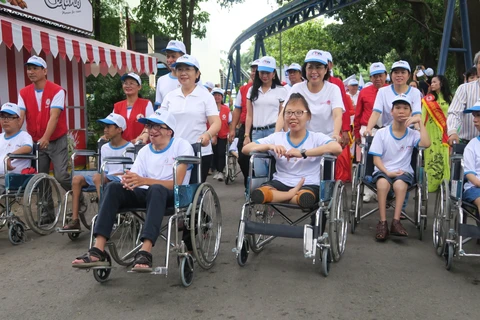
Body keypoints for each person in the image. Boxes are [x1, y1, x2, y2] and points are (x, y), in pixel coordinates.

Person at [72, 110, 194, 271]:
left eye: (157, 126)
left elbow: (176, 183)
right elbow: (134, 177)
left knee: (156, 189)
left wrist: (144, 181)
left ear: (169, 131)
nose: (152, 130)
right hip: (146, 193)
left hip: (173, 195)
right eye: (150, 126)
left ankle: (145, 251)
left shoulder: (181, 145)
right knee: (113, 187)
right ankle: (98, 250)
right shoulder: (144, 151)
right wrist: (128, 181)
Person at [243, 93, 342, 207]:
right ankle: (291, 196)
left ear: (308, 116)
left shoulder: (316, 137)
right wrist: (270, 146)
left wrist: (303, 153)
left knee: (306, 198)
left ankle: (284, 197)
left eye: (299, 113)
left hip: (308, 183)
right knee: (258, 194)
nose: (293, 117)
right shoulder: (277, 137)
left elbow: (336, 148)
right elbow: (246, 149)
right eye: (288, 113)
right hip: (280, 182)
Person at [369, 94, 430, 241]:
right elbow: (376, 160)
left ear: (410, 112)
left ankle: (396, 222)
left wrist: (420, 122)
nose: (401, 111)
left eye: (405, 108)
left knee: (400, 184)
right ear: (391, 112)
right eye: (397, 108)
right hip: (383, 170)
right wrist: (387, 172)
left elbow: (426, 144)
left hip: (403, 172)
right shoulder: (381, 133)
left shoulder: (413, 134)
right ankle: (382, 222)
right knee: (383, 184)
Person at [18, 56, 70, 224]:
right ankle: (47, 214)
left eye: (35, 68)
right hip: (36, 140)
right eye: (29, 69)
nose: (31, 72)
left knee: (61, 176)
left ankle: (78, 196)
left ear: (45, 71)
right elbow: (20, 118)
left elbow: (54, 117)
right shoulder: (24, 92)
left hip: (56, 139)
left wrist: (46, 137)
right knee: (40, 178)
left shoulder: (57, 91)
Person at [61, 113, 133, 230]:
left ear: (119, 129)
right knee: (76, 179)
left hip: (121, 178)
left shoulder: (129, 147)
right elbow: (103, 170)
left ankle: (105, 216)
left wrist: (108, 175)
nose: (105, 130)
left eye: (109, 127)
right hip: (105, 176)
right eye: (104, 127)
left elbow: (130, 172)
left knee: (97, 177)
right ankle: (75, 220)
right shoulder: (104, 147)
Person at [160, 54, 221, 183]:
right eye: (180, 69)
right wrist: (145, 133)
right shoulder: (170, 96)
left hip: (199, 151)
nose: (183, 73)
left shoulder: (206, 96)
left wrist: (208, 135)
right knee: (174, 190)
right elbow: (159, 119)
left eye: (188, 69)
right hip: (174, 151)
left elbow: (216, 122)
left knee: (193, 192)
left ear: (197, 73)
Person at [276, 50, 344, 142]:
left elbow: (337, 115)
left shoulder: (333, 89)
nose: (314, 72)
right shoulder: (297, 88)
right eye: (310, 68)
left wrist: (335, 134)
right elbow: (283, 113)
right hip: (301, 140)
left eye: (318, 67)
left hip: (326, 140)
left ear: (325, 70)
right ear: (305, 69)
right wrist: (276, 135)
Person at [353, 62, 388, 202]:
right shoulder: (364, 92)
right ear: (370, 78)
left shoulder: (390, 90)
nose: (377, 79)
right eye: (374, 76)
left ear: (386, 76)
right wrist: (356, 133)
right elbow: (358, 113)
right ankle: (368, 190)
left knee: (385, 160)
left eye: (380, 76)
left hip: (386, 130)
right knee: (367, 160)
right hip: (368, 130)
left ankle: (384, 190)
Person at [229, 59, 259, 189]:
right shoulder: (243, 89)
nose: (254, 72)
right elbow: (237, 109)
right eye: (253, 70)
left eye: (257, 70)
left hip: (260, 126)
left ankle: (261, 184)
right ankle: (249, 181)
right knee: (242, 157)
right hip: (245, 127)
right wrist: (232, 129)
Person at [421, 75, 452, 192]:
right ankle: (431, 185)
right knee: (432, 156)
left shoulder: (449, 98)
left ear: (441, 83)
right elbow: (423, 116)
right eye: (431, 82)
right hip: (431, 131)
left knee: (444, 156)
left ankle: (444, 184)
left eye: (434, 82)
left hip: (444, 131)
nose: (432, 84)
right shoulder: (427, 99)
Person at [447, 51, 480, 145]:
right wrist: (452, 131)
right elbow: (454, 112)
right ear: (476, 66)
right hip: (467, 143)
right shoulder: (464, 89)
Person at [0, 103, 33, 195]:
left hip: (14, 178)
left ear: (19, 120)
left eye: (10, 117)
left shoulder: (24, 136)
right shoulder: (0, 137)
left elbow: (28, 148)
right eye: (2, 117)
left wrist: (9, 156)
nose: (5, 120)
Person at [113, 73, 154, 144]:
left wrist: (144, 134)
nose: (128, 86)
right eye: (125, 83)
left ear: (139, 87)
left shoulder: (146, 104)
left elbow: (151, 124)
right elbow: (112, 125)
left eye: (131, 83)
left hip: (141, 145)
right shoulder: (117, 106)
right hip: (122, 146)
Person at [154, 40, 185, 111]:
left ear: (183, 57)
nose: (170, 60)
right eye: (168, 56)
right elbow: (158, 108)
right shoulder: (161, 80)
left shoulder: (192, 80)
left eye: (173, 56)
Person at [461, 100, 480, 213]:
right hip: (475, 187)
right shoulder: (472, 145)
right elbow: (469, 174)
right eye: (474, 116)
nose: (474, 120)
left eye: (478, 115)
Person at [211, 88, 231, 181]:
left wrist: (231, 133)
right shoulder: (210, 109)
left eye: (219, 95)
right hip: (211, 134)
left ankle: (220, 171)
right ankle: (216, 170)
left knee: (221, 153)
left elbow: (230, 122)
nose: (217, 97)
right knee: (214, 153)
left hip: (223, 134)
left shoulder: (226, 109)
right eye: (215, 95)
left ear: (222, 97)